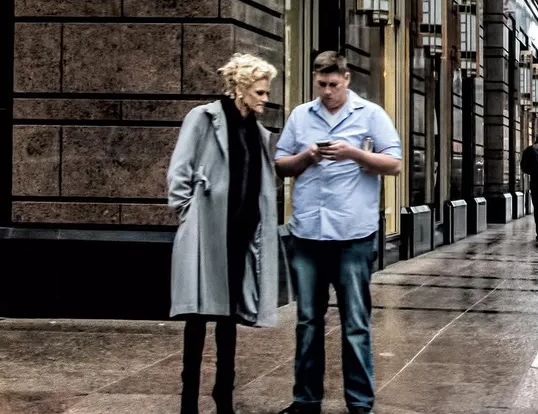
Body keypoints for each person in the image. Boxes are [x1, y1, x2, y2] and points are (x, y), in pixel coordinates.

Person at [275, 51, 403, 414]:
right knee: (308, 322)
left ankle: (360, 404)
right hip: (308, 236)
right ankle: (305, 401)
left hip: (353, 236)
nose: (327, 91)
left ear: (347, 78)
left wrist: (353, 154)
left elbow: (394, 163)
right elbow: (282, 165)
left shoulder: (371, 115)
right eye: (321, 84)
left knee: (355, 324)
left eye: (333, 84)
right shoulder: (301, 115)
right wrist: (309, 157)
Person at [168, 53, 280, 414]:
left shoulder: (256, 132)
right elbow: (180, 171)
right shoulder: (203, 118)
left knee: (229, 320)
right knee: (198, 318)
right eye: (260, 91)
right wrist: (189, 215)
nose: (265, 98)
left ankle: (224, 394)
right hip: (207, 233)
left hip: (241, 236)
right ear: (241, 88)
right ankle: (189, 400)